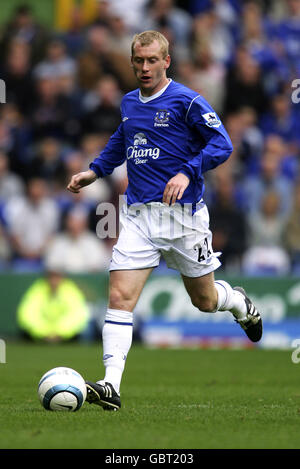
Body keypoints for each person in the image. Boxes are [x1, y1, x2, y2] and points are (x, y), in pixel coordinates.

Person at [67, 30, 262, 411]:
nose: (144, 67)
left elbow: (222, 144)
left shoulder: (187, 101)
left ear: (166, 61)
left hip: (183, 219)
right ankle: (110, 385)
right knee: (120, 297)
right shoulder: (128, 103)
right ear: (131, 62)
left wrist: (188, 172)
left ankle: (238, 303)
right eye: (138, 61)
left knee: (204, 301)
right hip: (139, 216)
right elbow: (123, 142)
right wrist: (95, 171)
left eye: (152, 60)